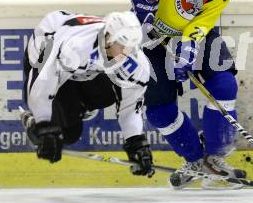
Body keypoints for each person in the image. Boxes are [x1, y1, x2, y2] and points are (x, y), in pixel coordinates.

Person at [114, 0, 253, 189]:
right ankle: (194, 159)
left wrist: (190, 44)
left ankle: (215, 159)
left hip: (192, 33)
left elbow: (208, 13)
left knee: (224, 85)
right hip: (148, 34)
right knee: (158, 106)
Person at [23, 10, 154, 177]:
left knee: (114, 90)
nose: (126, 52)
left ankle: (77, 106)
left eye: (131, 46)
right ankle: (35, 120)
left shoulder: (135, 62)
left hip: (83, 69)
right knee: (67, 134)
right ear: (108, 37)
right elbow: (40, 87)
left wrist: (136, 143)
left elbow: (130, 107)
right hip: (44, 52)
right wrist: (44, 126)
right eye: (121, 44)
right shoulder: (74, 47)